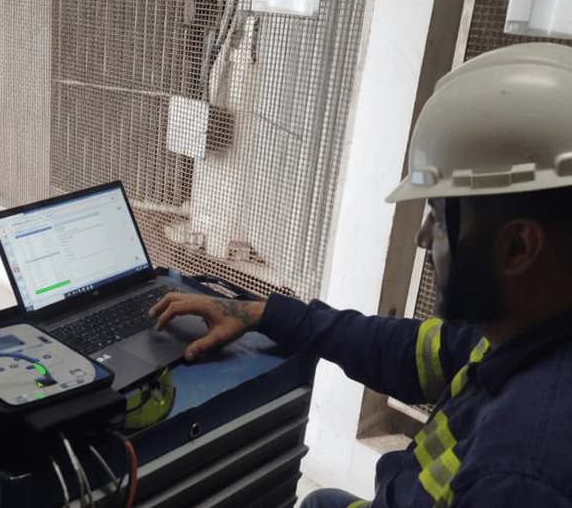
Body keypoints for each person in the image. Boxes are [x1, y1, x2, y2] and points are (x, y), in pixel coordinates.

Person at [149, 42, 572, 507]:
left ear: (517, 247)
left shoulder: (521, 475)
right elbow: (405, 349)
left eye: (438, 218)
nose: (423, 238)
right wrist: (260, 313)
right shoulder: (525, 326)